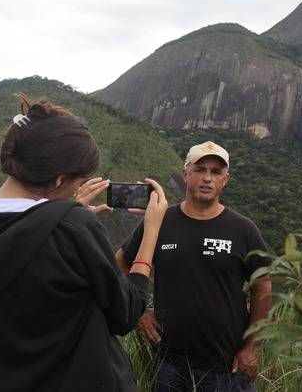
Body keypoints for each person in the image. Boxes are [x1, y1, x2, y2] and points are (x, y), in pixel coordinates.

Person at [0, 94, 168, 391]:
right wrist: (151, 230)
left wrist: (61, 216)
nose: (77, 190)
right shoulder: (72, 227)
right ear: (58, 180)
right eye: (78, 182)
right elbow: (126, 314)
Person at [115, 141, 273, 392]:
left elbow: (263, 288)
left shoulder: (243, 229)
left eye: (216, 172)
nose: (207, 178)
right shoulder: (159, 221)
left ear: (225, 179)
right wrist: (139, 312)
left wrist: (252, 347)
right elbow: (120, 265)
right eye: (200, 169)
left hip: (229, 366)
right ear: (185, 173)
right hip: (170, 365)